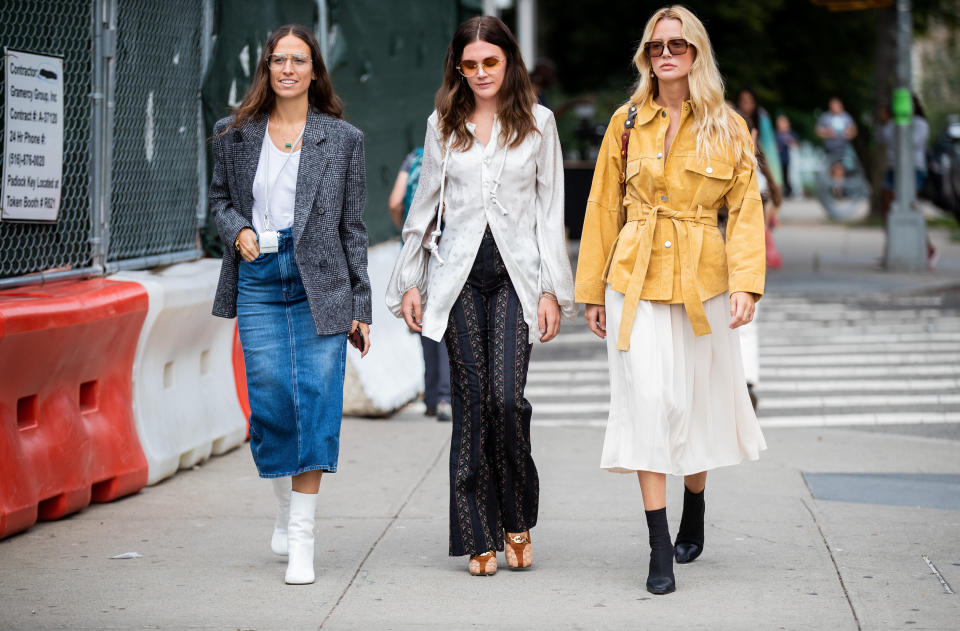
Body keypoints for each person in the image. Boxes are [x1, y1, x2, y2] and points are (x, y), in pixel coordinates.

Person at [575, 5, 767, 595]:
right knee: (649, 402)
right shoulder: (626, 121)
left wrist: (745, 284)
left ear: (696, 53)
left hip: (702, 281)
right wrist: (591, 291)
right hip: (633, 277)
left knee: (692, 406)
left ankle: (695, 502)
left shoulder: (728, 126)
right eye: (657, 45)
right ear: (645, 55)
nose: (666, 53)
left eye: (678, 45)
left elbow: (745, 212)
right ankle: (658, 543)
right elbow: (603, 207)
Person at [386, 15, 575, 576]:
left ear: (508, 62)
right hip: (458, 276)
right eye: (469, 65)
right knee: (470, 406)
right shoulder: (443, 124)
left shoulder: (539, 123)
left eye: (490, 62)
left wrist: (551, 292)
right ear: (458, 68)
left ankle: (516, 517)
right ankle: (477, 533)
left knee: (505, 399)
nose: (480, 73)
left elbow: (549, 213)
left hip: (517, 277)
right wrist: (411, 282)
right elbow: (422, 211)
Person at [209, 24, 371, 585]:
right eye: (278, 60)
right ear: (267, 69)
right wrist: (237, 231)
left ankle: (302, 538)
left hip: (319, 283)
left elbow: (353, 226)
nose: (287, 69)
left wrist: (361, 306)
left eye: (298, 60)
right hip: (258, 278)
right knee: (273, 398)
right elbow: (220, 202)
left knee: (317, 397)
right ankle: (282, 506)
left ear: (314, 70)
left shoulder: (343, 139)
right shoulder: (233, 133)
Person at [388, 149, 453, 421]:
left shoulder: (413, 157)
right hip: (447, 245)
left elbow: (395, 202)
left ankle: (430, 396)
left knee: (423, 317)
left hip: (417, 247)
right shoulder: (455, 153)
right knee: (445, 317)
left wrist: (406, 231)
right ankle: (446, 396)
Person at [878, 95, 936, 268]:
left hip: (912, 169)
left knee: (909, 207)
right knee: (888, 208)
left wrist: (900, 128)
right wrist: (887, 121)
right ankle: (894, 247)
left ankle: (926, 248)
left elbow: (910, 143)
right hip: (893, 169)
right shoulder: (891, 125)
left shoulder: (920, 124)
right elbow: (883, 139)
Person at [816, 97, 858, 197]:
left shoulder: (846, 117)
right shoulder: (825, 117)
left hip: (842, 148)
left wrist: (849, 134)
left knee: (839, 168)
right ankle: (835, 189)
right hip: (829, 148)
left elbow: (854, 131)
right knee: (832, 169)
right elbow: (818, 131)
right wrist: (827, 133)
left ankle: (838, 190)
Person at [775, 114, 798, 199]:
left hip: (789, 160)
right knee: (780, 176)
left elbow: (796, 143)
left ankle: (790, 191)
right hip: (779, 160)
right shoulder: (776, 134)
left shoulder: (791, 134)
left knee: (788, 176)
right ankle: (782, 191)